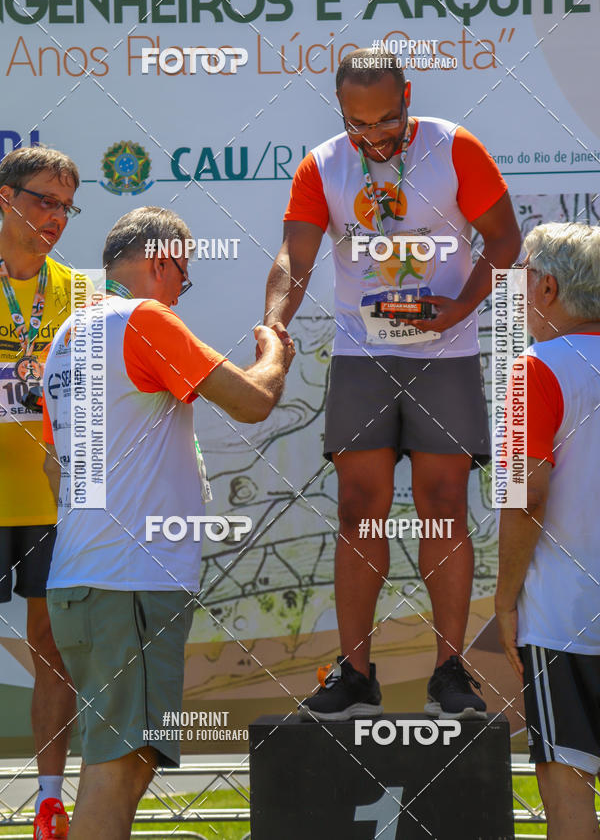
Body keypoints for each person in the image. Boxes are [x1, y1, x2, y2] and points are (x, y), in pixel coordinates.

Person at [263, 49, 522, 721]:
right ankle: (354, 674)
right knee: (357, 509)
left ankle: (449, 672)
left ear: (408, 96)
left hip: (447, 353)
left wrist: (459, 310)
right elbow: (295, 256)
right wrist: (275, 322)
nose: (374, 136)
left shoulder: (456, 148)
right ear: (340, 110)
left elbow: (504, 240)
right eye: (358, 123)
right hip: (362, 352)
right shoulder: (323, 164)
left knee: (444, 505)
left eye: (386, 120)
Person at [41, 206, 293, 840]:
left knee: (128, 763)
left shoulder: (67, 336)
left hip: (83, 579)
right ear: (160, 262)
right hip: (127, 583)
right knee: (118, 766)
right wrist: (274, 353)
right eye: (184, 273)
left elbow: (54, 469)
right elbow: (253, 400)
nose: (182, 290)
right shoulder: (146, 319)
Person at [496, 222, 600, 839]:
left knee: (567, 792)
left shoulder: (533, 370)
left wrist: (504, 599)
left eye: (520, 275)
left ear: (548, 288)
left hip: (564, 616)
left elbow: (525, 498)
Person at [0, 146, 81, 838]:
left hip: (53, 503)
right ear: (5, 198)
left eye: (66, 207)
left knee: (51, 648)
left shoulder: (82, 294)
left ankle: (50, 803)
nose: (55, 217)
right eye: (43, 201)